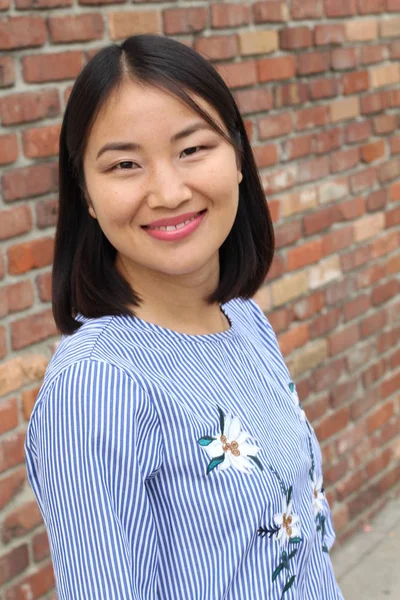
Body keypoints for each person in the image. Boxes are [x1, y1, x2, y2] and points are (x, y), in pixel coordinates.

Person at [25, 34, 344, 600]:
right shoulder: (98, 386)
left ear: (239, 157)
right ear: (88, 196)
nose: (169, 191)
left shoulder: (243, 319)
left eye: (192, 149)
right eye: (125, 164)